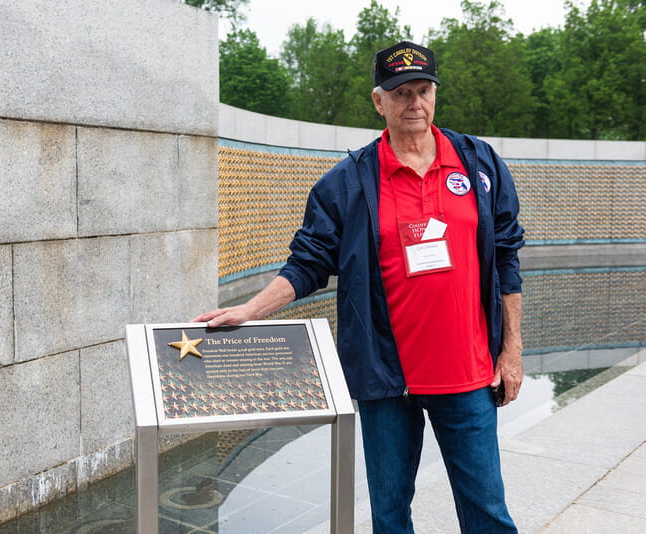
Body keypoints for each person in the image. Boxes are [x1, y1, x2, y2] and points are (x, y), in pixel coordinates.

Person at [194, 40, 524, 533]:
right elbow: (308, 262)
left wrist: (511, 350)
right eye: (401, 94)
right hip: (386, 380)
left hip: (469, 373)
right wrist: (251, 309)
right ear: (379, 101)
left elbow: (505, 256)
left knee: (488, 514)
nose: (415, 103)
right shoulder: (347, 183)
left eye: (423, 90)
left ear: (435, 93)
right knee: (390, 516)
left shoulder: (478, 164)